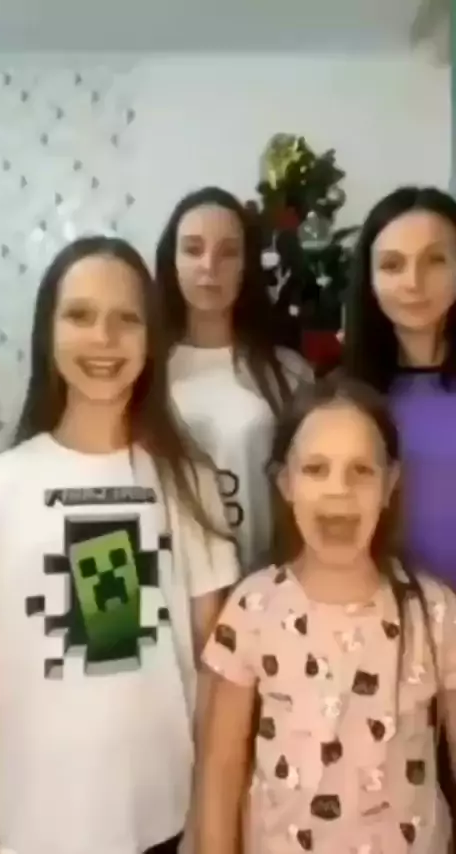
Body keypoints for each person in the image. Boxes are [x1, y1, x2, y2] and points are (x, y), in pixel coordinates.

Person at [0, 236, 240, 854]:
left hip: (162, 823)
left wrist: (213, 821)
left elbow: (218, 671)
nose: (103, 337)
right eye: (80, 315)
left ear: (152, 339)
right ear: (48, 331)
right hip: (27, 828)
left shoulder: (188, 481)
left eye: (127, 319)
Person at [195, 376, 456, 854]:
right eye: (316, 469)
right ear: (286, 484)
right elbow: (221, 769)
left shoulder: (435, 612)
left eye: (361, 470)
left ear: (389, 485)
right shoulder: (253, 608)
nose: (339, 489)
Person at [156, 186, 312, 573]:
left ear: (247, 265)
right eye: (193, 249)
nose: (209, 266)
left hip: (262, 580)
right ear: (172, 260)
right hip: (165, 579)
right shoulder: (142, 367)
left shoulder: (289, 372)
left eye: (228, 252)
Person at [343, 186, 456, 589]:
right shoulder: (345, 398)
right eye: (392, 265)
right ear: (370, 281)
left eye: (435, 260)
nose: (413, 282)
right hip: (384, 612)